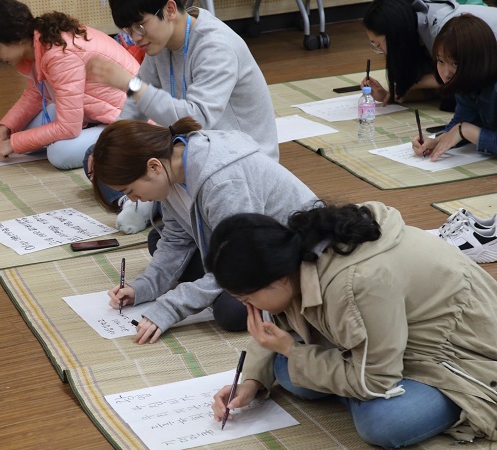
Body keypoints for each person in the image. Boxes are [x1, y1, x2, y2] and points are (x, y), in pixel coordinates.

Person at [207, 202, 497, 447]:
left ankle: (354, 387)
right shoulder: (297, 254)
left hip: (460, 354)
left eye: (248, 298)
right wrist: (250, 381)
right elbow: (280, 324)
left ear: (276, 279)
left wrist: (294, 352)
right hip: (397, 343)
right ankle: (347, 381)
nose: (249, 308)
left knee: (382, 424)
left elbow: (375, 380)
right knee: (285, 369)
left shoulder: (356, 283)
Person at [91, 117, 316, 339]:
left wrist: (170, 307)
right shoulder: (172, 170)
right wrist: (143, 287)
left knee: (232, 311)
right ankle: (212, 288)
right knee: (157, 240)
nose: (134, 199)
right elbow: (176, 240)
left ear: (154, 166)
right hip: (245, 249)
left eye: (130, 190)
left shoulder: (221, 182)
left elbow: (241, 259)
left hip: (296, 256)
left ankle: (214, 289)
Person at [85, 0, 279, 233]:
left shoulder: (216, 46)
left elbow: (198, 118)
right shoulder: (159, 43)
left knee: (165, 244)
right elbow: (134, 110)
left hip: (234, 169)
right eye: (128, 30)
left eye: (140, 25)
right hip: (193, 152)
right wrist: (105, 145)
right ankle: (141, 197)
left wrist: (131, 85)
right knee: (98, 156)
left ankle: (146, 199)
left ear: (168, 9)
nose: (135, 38)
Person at [0, 0, 139, 169]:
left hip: (127, 121)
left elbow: (69, 127)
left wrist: (14, 144)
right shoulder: (40, 43)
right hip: (93, 114)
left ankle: (121, 143)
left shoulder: (60, 54)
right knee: (18, 135)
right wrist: (5, 128)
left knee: (59, 154)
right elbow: (34, 95)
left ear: (16, 37)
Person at [361, 0, 497, 108]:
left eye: (378, 45)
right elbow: (438, 89)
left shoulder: (445, 31)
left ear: (394, 36)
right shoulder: (417, 26)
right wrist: (391, 94)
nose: (381, 52)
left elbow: (461, 76)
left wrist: (409, 84)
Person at [413, 14, 497, 160]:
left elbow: (463, 127)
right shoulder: (466, 81)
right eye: (441, 61)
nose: (446, 73)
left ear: (477, 59)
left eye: (455, 63)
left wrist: (465, 130)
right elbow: (462, 119)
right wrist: (438, 140)